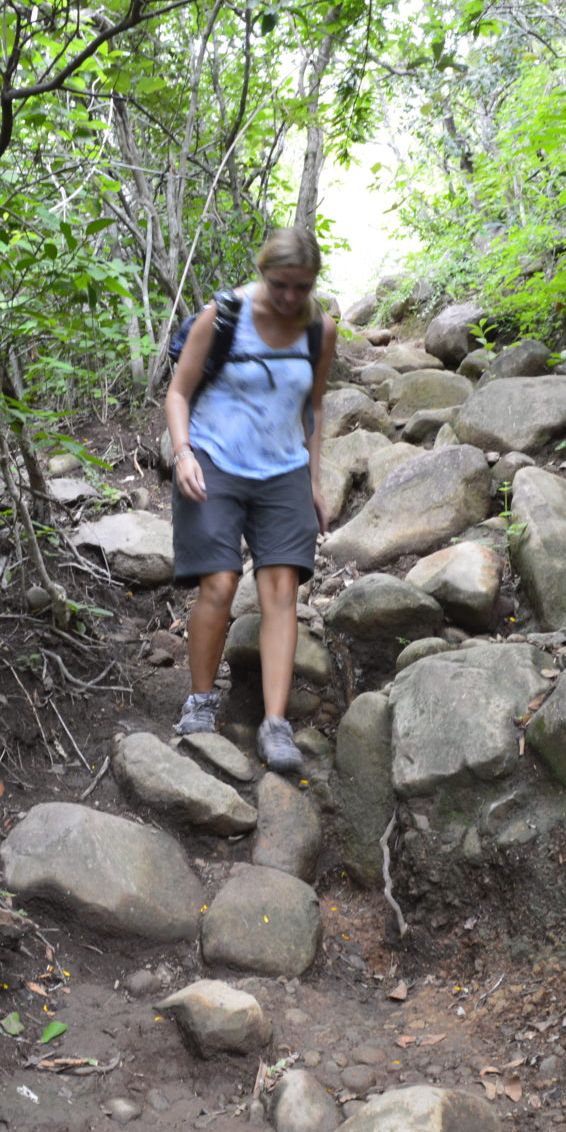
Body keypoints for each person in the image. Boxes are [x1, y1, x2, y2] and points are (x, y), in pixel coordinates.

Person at [165, 228, 337, 773]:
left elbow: (314, 407)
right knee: (219, 583)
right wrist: (183, 453)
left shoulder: (319, 330)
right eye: (280, 285)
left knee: (281, 588)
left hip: (283, 467)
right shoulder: (221, 318)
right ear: (262, 272)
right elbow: (178, 392)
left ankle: (275, 723)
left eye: (302, 287)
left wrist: (313, 480)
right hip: (213, 458)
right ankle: (199, 704)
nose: (290, 298)